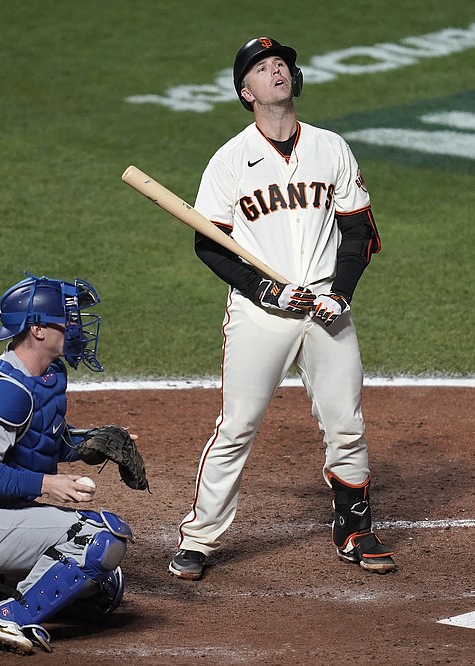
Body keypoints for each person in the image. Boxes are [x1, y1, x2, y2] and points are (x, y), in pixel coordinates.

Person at [168, 37, 395, 581]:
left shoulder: (330, 148)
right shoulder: (229, 161)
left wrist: (339, 292)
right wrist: (264, 291)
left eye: (282, 66)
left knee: (346, 423)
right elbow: (209, 244)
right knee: (238, 424)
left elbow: (359, 230)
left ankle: (355, 529)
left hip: (325, 306)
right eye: (263, 69)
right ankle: (199, 537)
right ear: (246, 92)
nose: (277, 73)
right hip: (261, 313)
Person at [0, 274, 135, 655]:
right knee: (98, 542)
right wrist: (48, 485)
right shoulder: (2, 390)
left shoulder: (47, 375)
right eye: (68, 319)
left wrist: (91, 444)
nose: (76, 328)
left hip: (5, 512)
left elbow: (40, 443)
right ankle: (8, 616)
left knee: (105, 589)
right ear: (38, 329)